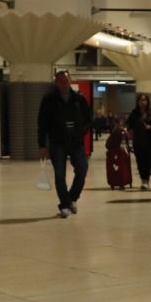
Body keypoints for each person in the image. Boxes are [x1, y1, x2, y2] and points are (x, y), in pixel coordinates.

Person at [37, 70, 93, 217]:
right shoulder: (49, 100)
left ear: (70, 81)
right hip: (57, 142)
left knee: (82, 169)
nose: (64, 84)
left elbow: (88, 119)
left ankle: (72, 198)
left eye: (66, 81)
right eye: (60, 81)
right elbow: (42, 123)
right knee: (60, 175)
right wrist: (42, 145)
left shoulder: (79, 99)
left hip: (76, 142)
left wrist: (80, 133)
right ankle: (64, 205)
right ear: (56, 83)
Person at [127, 91, 151, 190]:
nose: (143, 102)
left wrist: (150, 127)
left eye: (144, 100)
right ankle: (143, 180)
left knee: (148, 162)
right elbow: (129, 126)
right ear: (138, 102)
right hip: (138, 141)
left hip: (150, 141)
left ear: (148, 102)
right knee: (140, 162)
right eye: (141, 100)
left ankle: (146, 179)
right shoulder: (134, 113)